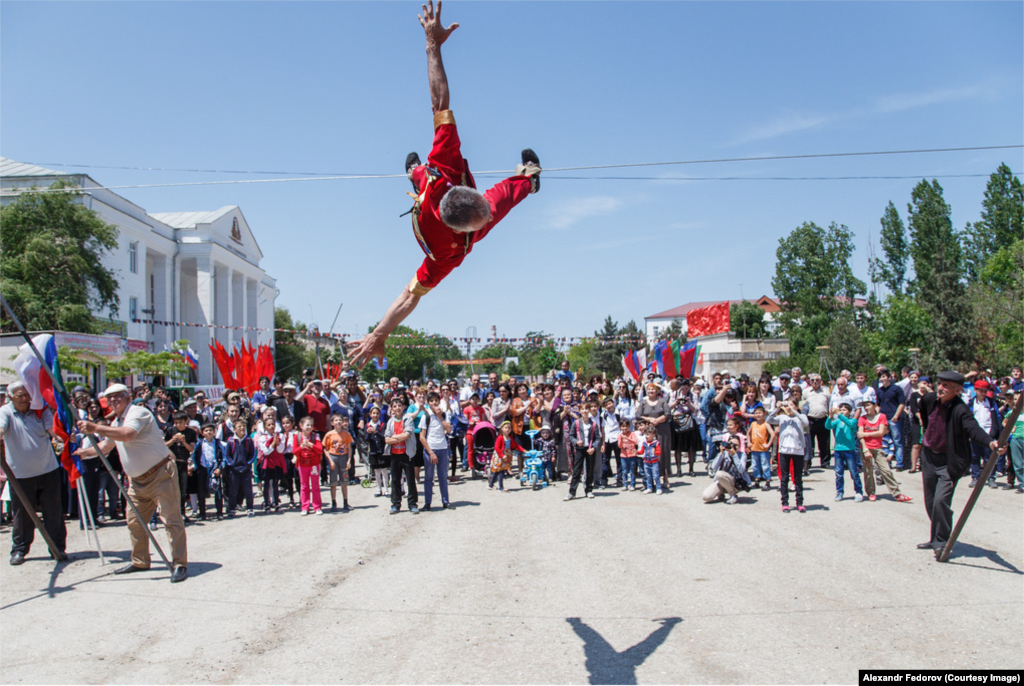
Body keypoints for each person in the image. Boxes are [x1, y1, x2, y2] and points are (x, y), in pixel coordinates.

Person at [347, 0, 541, 368]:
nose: (488, 216)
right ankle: (417, 172)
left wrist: (432, 47)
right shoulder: (445, 252)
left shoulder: (447, 166)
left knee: (497, 195)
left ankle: (530, 178)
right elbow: (408, 296)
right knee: (429, 177)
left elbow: (439, 99)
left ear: (466, 189)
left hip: (439, 184)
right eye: (483, 218)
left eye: (483, 213)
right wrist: (378, 334)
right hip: (435, 209)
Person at [75, 384, 188, 583]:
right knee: (135, 522)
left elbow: (127, 434)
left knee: (171, 520)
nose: (114, 400)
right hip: (137, 481)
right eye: (110, 398)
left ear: (128, 397)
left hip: (161, 474)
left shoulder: (138, 412)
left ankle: (179, 563)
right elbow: (105, 445)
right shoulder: (117, 421)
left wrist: (94, 428)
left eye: (118, 396)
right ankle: (140, 560)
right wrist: (82, 453)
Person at [917, 371, 1002, 560]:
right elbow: (922, 411)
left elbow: (974, 429)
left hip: (949, 462)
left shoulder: (960, 409)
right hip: (929, 458)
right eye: (940, 384)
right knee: (931, 502)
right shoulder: (930, 400)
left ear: (957, 390)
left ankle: (941, 542)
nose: (941, 388)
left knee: (941, 501)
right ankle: (935, 537)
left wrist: (990, 442)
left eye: (946, 386)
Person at [0, 381, 67, 566]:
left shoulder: (39, 409)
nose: (25, 399)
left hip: (48, 469)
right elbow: (1, 427)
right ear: (11, 396)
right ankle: (20, 549)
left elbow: (52, 430)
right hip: (20, 475)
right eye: (20, 395)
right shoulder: (5, 412)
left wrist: (64, 437)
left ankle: (57, 548)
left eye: (27, 395)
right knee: (22, 516)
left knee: (53, 512)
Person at [857, 399, 912, 504]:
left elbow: (881, 432)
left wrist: (866, 434)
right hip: (866, 448)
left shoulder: (881, 417)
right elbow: (860, 435)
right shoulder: (862, 418)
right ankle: (871, 492)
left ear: (874, 406)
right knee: (868, 472)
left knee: (886, 470)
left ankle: (897, 493)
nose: (866, 408)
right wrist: (865, 449)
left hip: (878, 448)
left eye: (868, 405)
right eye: (864, 406)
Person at [768, 399, 808, 513]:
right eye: (788, 405)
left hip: (798, 450)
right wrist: (777, 408)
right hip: (784, 450)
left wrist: (794, 412)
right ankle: (785, 503)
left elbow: (805, 423)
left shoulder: (800, 416)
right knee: (784, 478)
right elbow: (769, 419)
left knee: (798, 477)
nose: (789, 408)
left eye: (792, 405)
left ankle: (799, 502)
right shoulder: (782, 418)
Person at [420, 391, 455, 510]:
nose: (434, 403)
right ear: (428, 403)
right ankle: (427, 503)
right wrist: (430, 452)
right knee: (429, 477)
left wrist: (440, 416)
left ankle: (445, 501)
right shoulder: (426, 416)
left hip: (443, 448)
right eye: (431, 401)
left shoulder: (444, 415)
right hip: (431, 449)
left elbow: (449, 430)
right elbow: (422, 437)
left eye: (436, 400)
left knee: (443, 476)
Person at [827, 399, 864, 502]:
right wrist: (830, 417)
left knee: (853, 472)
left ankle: (859, 491)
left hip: (849, 450)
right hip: (838, 450)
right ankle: (839, 492)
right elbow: (828, 426)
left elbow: (849, 424)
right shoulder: (838, 421)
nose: (842, 411)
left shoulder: (853, 421)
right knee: (838, 473)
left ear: (849, 412)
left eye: (844, 410)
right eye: (841, 409)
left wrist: (839, 414)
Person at [386, 400, 419, 515]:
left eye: (400, 405)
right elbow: (386, 439)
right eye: (395, 406)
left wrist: (394, 437)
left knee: (410, 480)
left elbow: (407, 434)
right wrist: (399, 437)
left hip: (407, 454)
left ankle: (412, 504)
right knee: (395, 480)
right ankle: (395, 504)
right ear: (392, 409)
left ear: (404, 407)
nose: (397, 408)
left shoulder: (408, 419)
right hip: (395, 454)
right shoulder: (390, 421)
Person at [163, 411, 196, 519]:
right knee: (172, 488)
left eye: (180, 422)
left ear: (186, 421)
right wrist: (172, 440)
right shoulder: (170, 431)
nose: (178, 425)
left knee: (182, 488)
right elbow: (163, 445)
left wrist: (183, 442)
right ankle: (172, 513)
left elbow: (191, 448)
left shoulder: (190, 432)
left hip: (183, 462)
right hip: (172, 462)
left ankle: (182, 512)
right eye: (176, 423)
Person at [189, 423, 225, 520]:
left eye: (210, 430)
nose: (208, 432)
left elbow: (223, 456)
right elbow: (195, 456)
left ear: (214, 432)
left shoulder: (217, 443)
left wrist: (220, 468)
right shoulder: (199, 444)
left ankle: (219, 512)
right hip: (203, 469)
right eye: (206, 430)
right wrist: (197, 468)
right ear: (202, 432)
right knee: (201, 492)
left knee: (217, 491)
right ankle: (202, 513)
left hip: (214, 469)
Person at [703, 436, 751, 504]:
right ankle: (721, 493)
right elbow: (713, 467)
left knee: (720, 474)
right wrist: (721, 453)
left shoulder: (742, 455)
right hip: (721, 480)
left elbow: (741, 470)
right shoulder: (725, 453)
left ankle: (733, 496)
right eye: (731, 443)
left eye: (736, 445)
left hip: (735, 483)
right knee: (706, 497)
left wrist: (734, 455)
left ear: (740, 446)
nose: (733, 446)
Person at [292, 416, 324, 516]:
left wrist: (311, 445)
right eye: (307, 425)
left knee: (315, 486)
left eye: (311, 425)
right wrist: (301, 447)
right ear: (301, 426)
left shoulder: (315, 436)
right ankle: (305, 507)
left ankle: (317, 507)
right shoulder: (297, 437)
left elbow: (320, 449)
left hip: (314, 465)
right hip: (302, 465)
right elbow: (294, 451)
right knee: (304, 486)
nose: (309, 427)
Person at [224, 419, 256, 518]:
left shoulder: (248, 440)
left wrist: (248, 464)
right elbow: (227, 455)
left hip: (245, 470)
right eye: (239, 426)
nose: (242, 428)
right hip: (234, 471)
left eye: (243, 426)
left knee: (248, 490)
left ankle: (250, 508)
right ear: (234, 429)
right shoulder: (231, 441)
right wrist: (232, 464)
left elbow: (253, 454)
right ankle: (232, 509)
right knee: (233, 490)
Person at [323, 414, 354, 513]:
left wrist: (349, 460)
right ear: (332, 423)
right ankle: (334, 503)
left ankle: (345, 502)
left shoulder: (346, 434)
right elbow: (325, 449)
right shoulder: (329, 435)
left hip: (343, 458)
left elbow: (349, 448)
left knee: (344, 482)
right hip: (333, 458)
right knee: (333, 483)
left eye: (340, 420)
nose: (338, 422)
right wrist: (330, 461)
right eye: (336, 420)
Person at [256, 415, 286, 512]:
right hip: (267, 463)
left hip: (276, 462)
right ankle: (267, 503)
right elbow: (266, 451)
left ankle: (275, 502)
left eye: (273, 424)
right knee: (267, 483)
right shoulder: (262, 438)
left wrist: (277, 444)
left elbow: (281, 450)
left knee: (275, 483)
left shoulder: (279, 436)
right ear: (265, 427)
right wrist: (273, 444)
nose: (271, 426)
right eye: (268, 425)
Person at [747, 404, 775, 492]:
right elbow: (748, 433)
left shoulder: (766, 424)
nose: (758, 415)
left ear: (764, 414)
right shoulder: (753, 424)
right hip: (754, 449)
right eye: (756, 413)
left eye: (760, 413)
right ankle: (757, 480)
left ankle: (767, 481)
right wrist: (749, 442)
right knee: (755, 465)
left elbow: (773, 434)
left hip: (763, 450)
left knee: (765, 466)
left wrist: (768, 444)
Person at [637, 424, 663, 495]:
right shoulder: (644, 443)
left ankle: (658, 488)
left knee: (656, 475)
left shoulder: (656, 443)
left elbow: (659, 452)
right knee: (648, 475)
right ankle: (649, 488)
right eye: (646, 434)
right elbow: (642, 451)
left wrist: (655, 452)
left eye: (648, 434)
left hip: (654, 462)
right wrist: (636, 452)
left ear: (653, 435)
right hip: (646, 462)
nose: (646, 436)